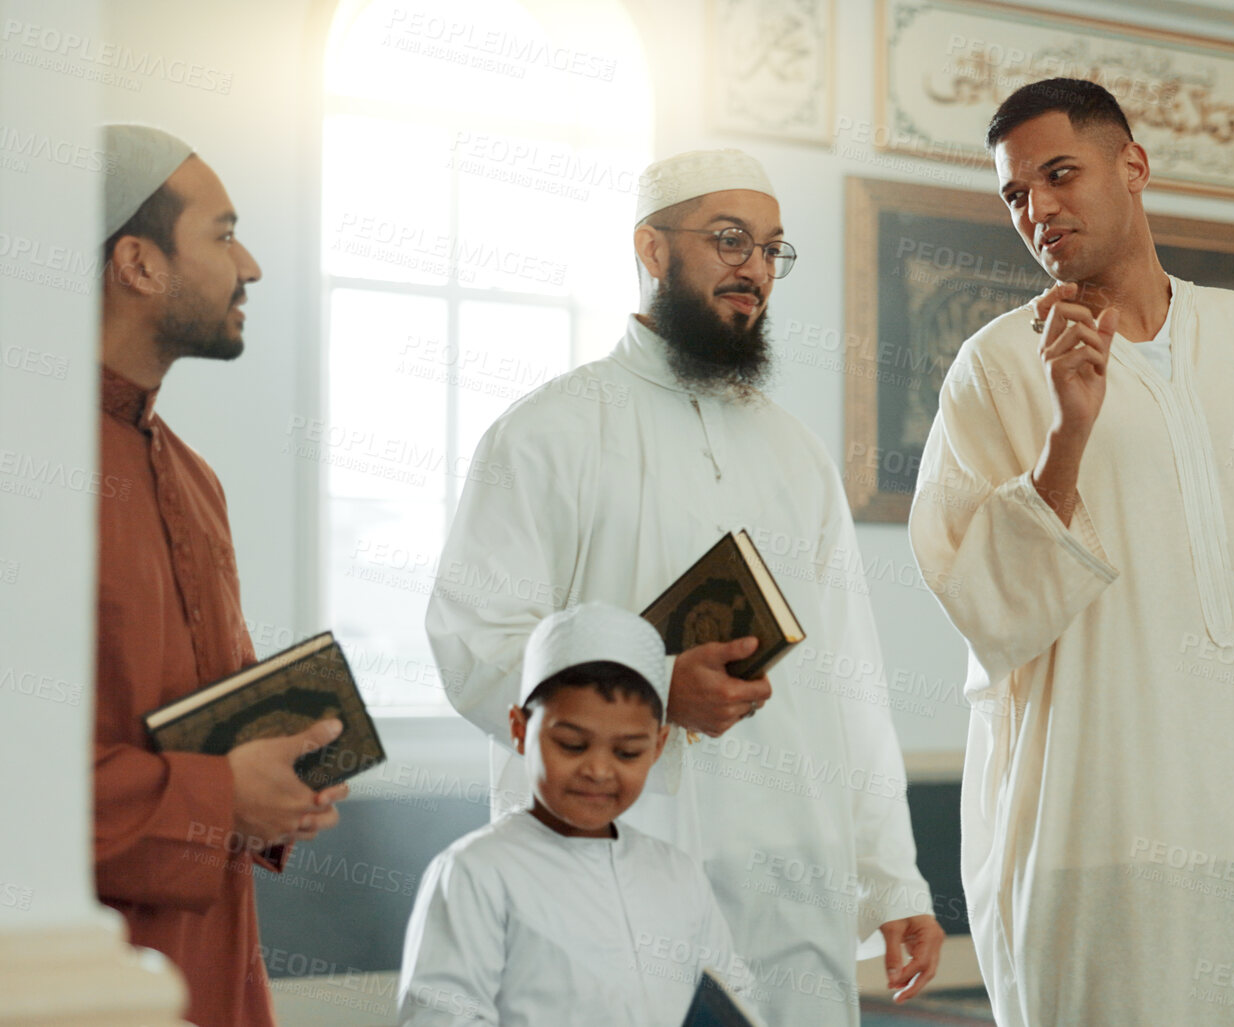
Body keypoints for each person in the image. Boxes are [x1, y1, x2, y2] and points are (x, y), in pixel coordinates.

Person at [908, 79, 1234, 1026]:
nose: (1038, 209)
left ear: (1132, 168)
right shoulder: (997, 364)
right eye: (1015, 194)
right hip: (1100, 816)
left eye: (1060, 175)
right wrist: (1069, 433)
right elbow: (980, 601)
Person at [426, 148, 941, 1024]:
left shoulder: (795, 453)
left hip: (789, 877)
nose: (754, 269)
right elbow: (473, 644)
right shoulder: (546, 432)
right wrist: (658, 691)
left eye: (772, 249)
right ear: (653, 250)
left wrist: (895, 877)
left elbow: (850, 686)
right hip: (606, 869)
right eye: (729, 240)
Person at [94, 124, 349, 1027]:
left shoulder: (197, 480)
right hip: (77, 978)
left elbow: (212, 732)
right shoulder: (17, 473)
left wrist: (280, 777)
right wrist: (220, 796)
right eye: (222, 231)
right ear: (138, 261)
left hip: (218, 962)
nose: (250, 264)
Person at [398, 603, 753, 1024]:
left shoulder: (677, 874)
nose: (598, 770)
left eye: (627, 752)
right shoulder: (476, 872)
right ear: (519, 730)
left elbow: (734, 1000)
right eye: (572, 744)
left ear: (657, 747)